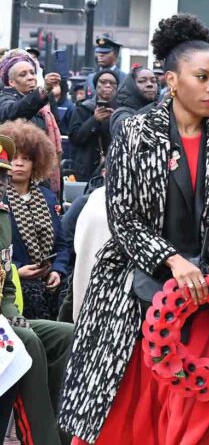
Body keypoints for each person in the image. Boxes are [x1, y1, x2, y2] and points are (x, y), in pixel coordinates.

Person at [59, 14, 209, 444]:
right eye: (202, 78)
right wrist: (170, 260)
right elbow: (123, 215)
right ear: (172, 79)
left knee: (198, 416)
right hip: (135, 294)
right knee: (129, 417)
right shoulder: (135, 132)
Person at [0, 131, 73, 445]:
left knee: (68, 334)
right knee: (25, 341)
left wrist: (12, 314)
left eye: (1, 176)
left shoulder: (1, 216)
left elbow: (4, 286)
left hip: (7, 314)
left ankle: (63, 433)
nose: (3, 181)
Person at [0, 119, 70, 320]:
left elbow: (62, 244)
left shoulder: (48, 197)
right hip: (14, 289)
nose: (20, 163)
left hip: (49, 286)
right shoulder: (1, 198)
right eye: (15, 157)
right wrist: (16, 272)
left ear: (37, 162)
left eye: (27, 158)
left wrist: (58, 270)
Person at [0, 49, 63, 193]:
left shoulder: (45, 102)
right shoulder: (5, 99)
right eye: (23, 74)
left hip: (41, 174)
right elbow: (15, 112)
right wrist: (43, 92)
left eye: (32, 73)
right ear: (11, 82)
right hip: (12, 178)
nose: (30, 77)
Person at [68, 70, 119, 181]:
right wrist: (94, 120)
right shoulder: (83, 108)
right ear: (96, 86)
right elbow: (75, 138)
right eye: (103, 82)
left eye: (112, 83)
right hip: (87, 168)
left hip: (115, 168)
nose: (108, 86)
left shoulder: (121, 110)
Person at [110, 66, 159, 137]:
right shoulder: (121, 113)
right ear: (131, 85)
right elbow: (127, 134)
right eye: (142, 81)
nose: (150, 84)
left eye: (153, 81)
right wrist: (157, 107)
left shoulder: (162, 110)